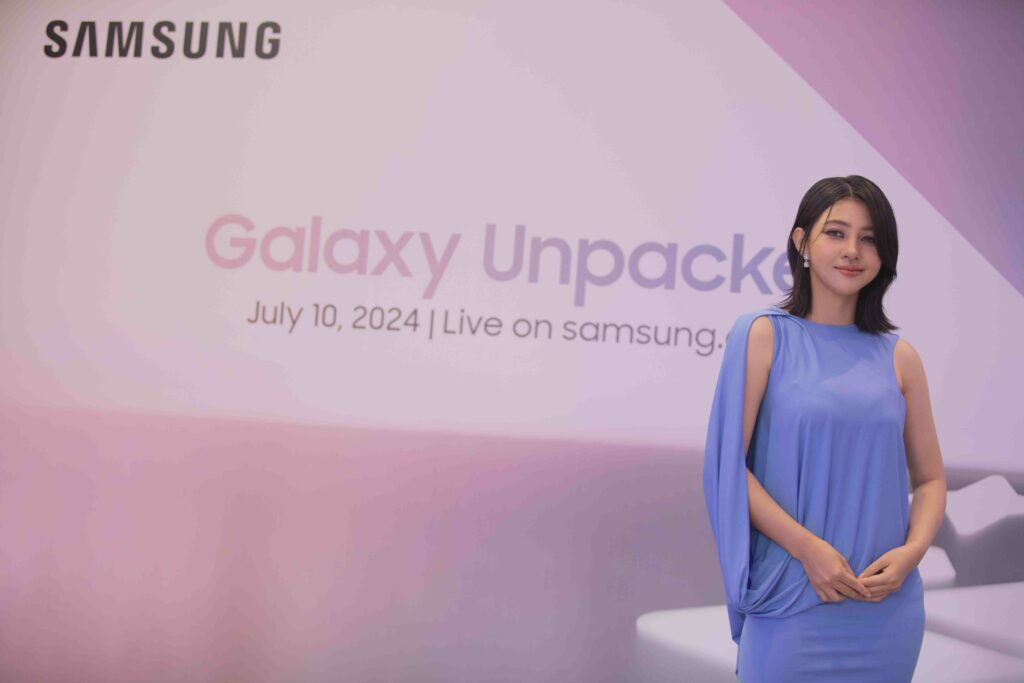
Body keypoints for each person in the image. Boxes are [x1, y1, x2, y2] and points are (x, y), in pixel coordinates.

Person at [702, 175, 947, 682]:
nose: (853, 250)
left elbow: (929, 481)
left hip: (885, 612)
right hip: (792, 598)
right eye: (836, 233)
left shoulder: (900, 357)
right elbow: (727, 469)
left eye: (869, 238)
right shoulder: (763, 334)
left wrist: (911, 554)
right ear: (802, 242)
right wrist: (806, 549)